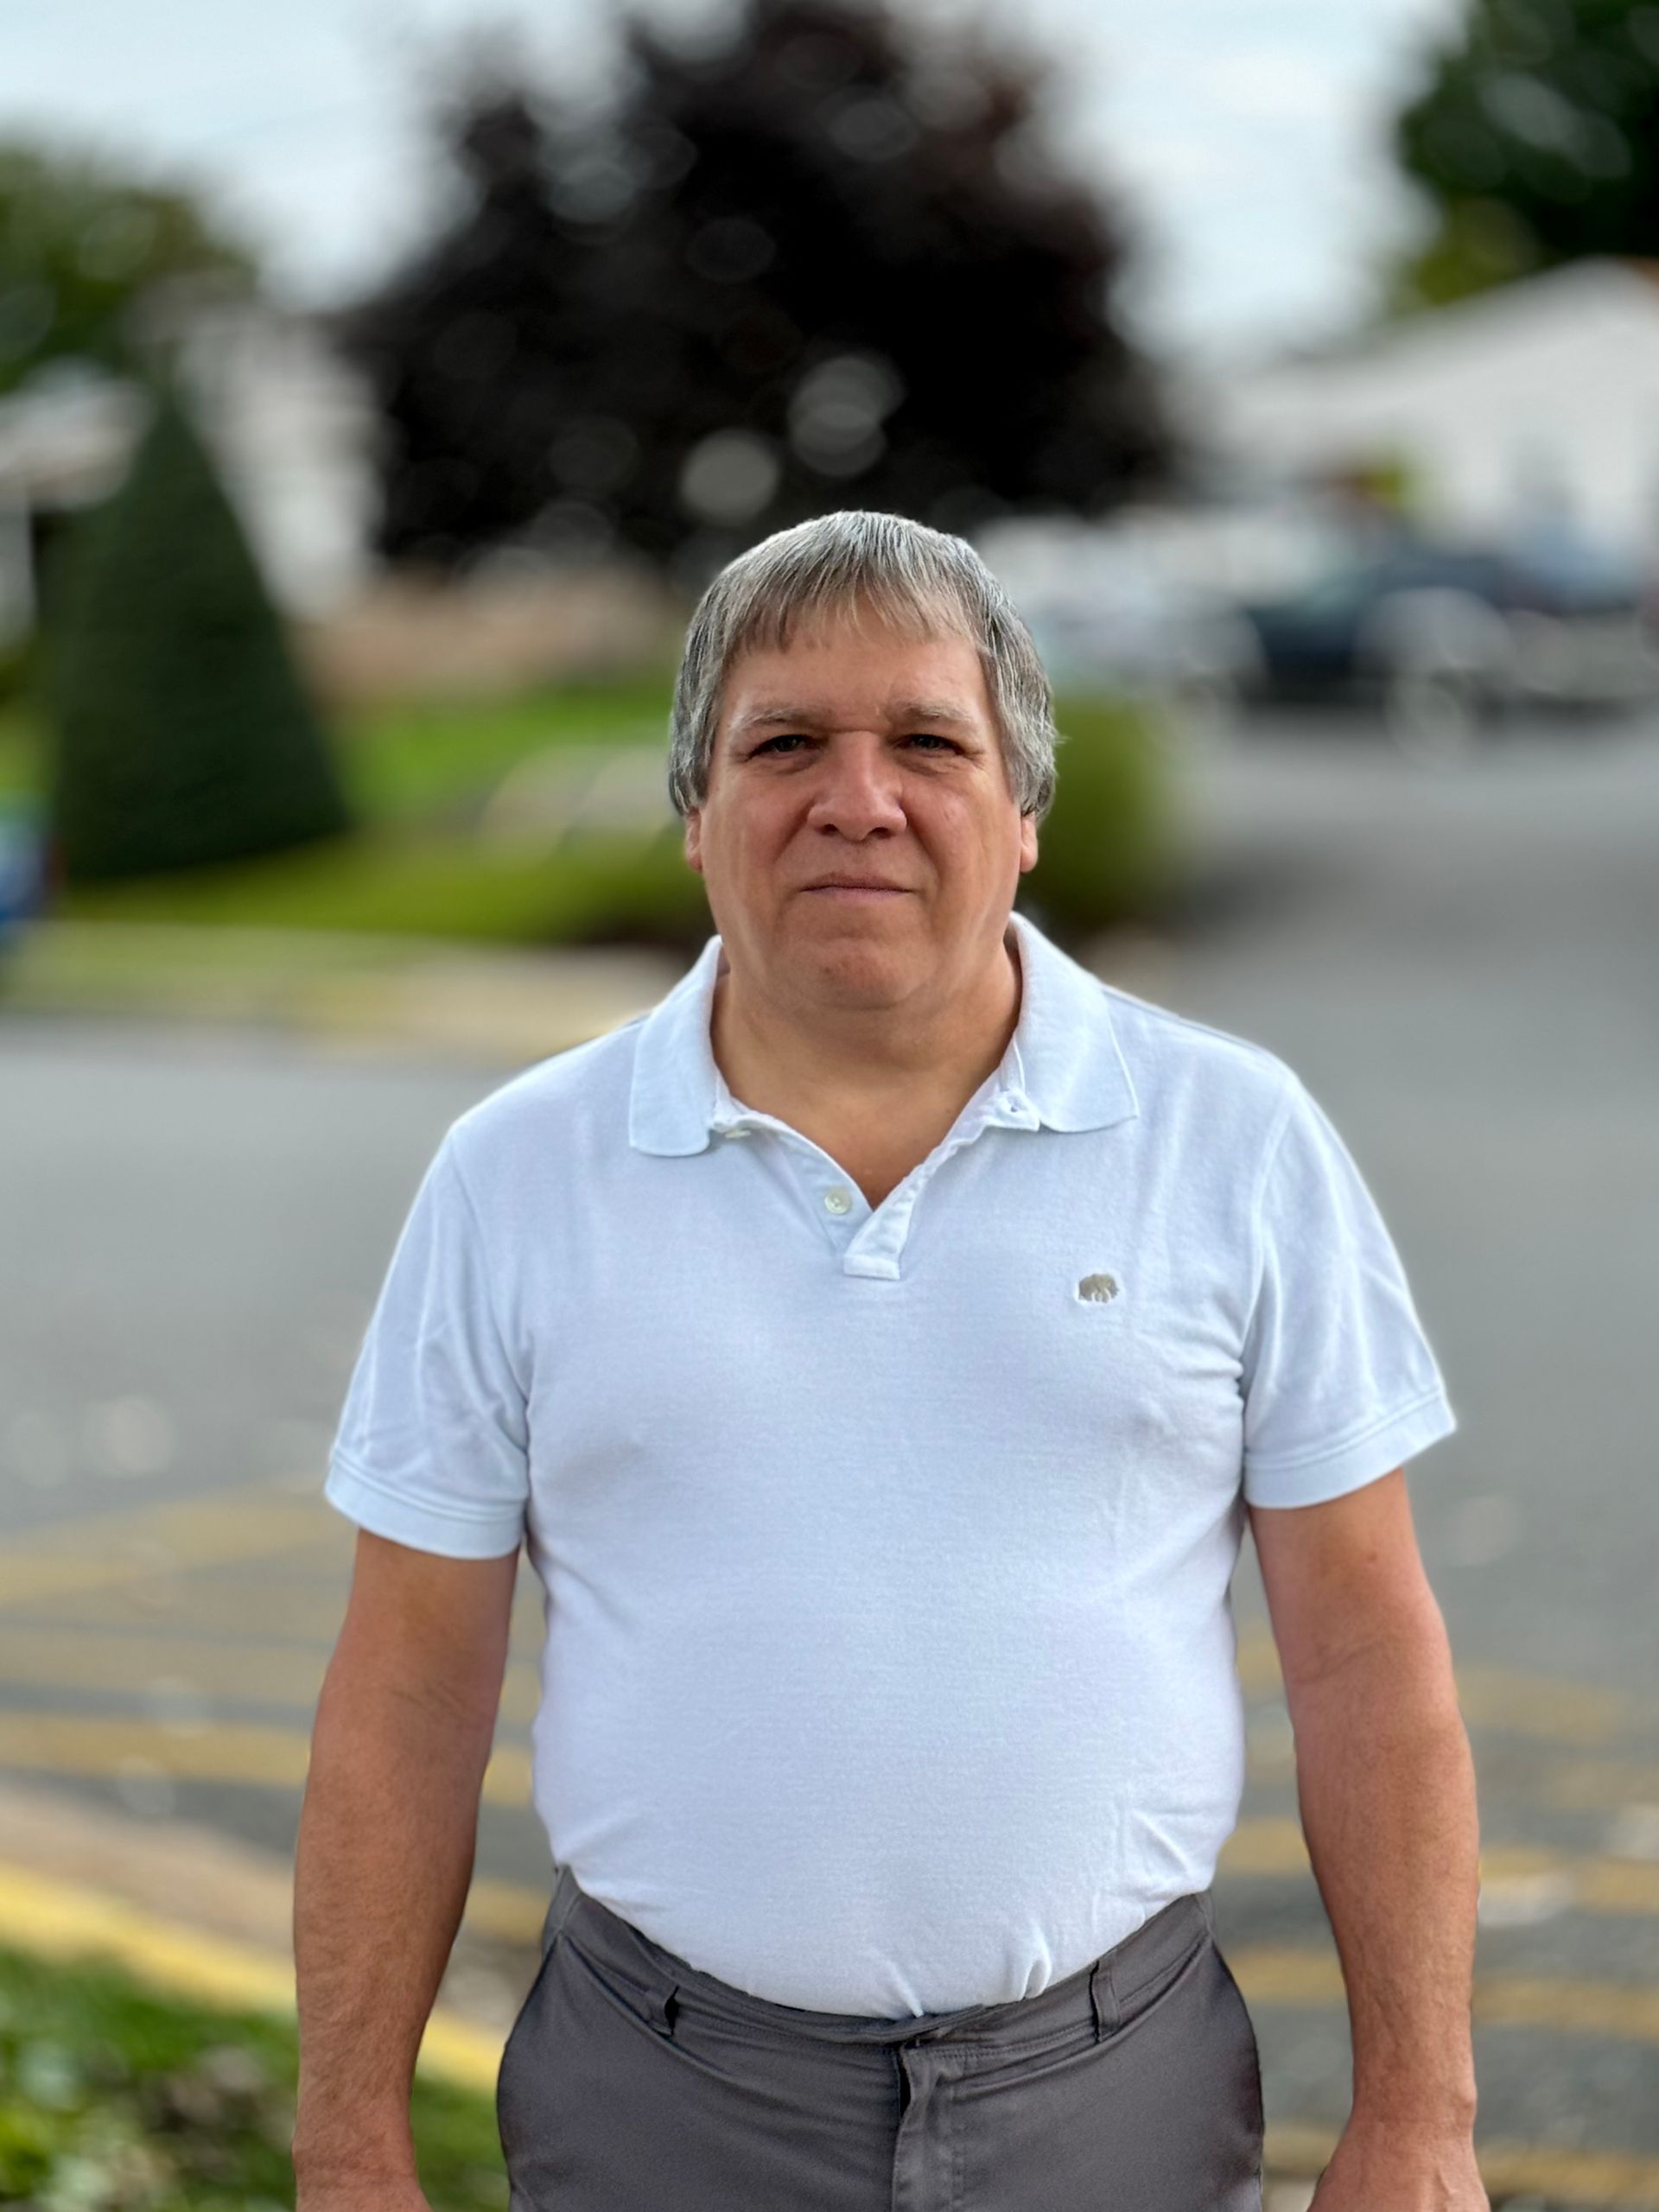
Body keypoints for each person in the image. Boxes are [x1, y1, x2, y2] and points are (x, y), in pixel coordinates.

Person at [291, 512, 1484, 2212]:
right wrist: (347, 2143)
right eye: (786, 743)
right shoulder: (517, 1169)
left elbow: (1370, 1652)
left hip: (1116, 2097)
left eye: (927, 739)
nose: (859, 795)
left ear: (1025, 811)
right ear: (698, 814)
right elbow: (407, 1694)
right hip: (660, 2099)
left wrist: (1421, 2115)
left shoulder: (1236, 1137)